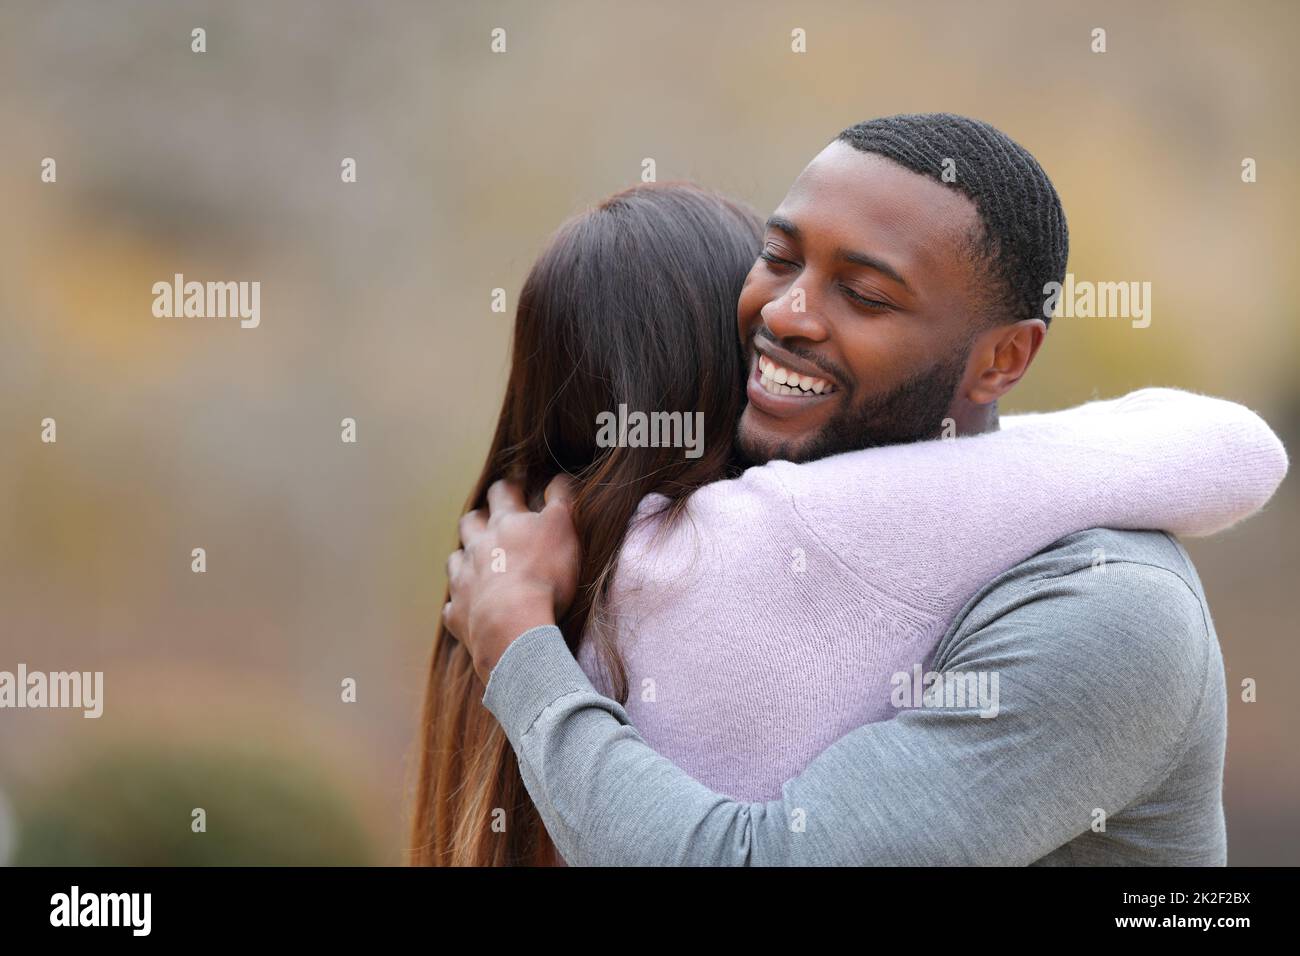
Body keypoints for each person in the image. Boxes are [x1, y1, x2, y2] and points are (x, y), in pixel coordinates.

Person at [426, 114, 1289, 865]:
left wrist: (521, 647)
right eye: (778, 257)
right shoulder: (765, 528)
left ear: (1003, 360)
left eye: (865, 294)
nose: (786, 314)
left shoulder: (1104, 612)